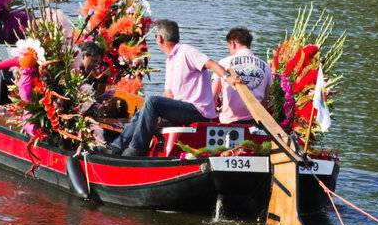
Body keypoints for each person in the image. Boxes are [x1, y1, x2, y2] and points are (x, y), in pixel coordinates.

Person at [106, 19, 238, 157]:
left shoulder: (186, 51)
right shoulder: (170, 60)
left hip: (198, 110)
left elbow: (211, 64)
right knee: (144, 110)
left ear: (160, 39)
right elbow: (169, 94)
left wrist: (228, 77)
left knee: (151, 101)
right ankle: (116, 147)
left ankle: (137, 150)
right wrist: (155, 114)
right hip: (182, 108)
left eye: (155, 37)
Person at [215, 27, 273, 125]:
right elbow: (264, 102)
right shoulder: (266, 67)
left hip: (229, 121)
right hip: (254, 122)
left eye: (228, 47)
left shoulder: (223, 64)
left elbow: (213, 96)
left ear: (233, 43)